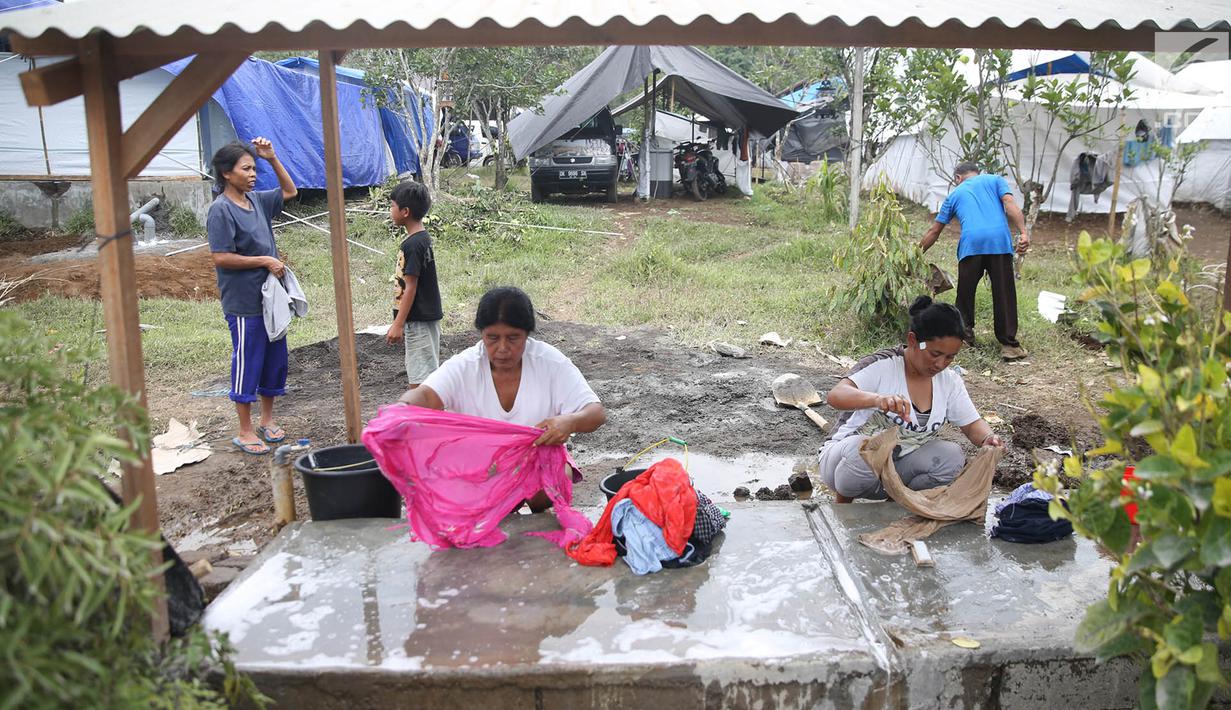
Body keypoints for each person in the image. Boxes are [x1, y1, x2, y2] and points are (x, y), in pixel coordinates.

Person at [397, 287, 607, 511]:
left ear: (527, 335)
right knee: (460, 501)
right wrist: (401, 409)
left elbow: (595, 412)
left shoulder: (550, 363)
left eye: (513, 338)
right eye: (493, 338)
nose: (503, 348)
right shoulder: (465, 366)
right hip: (479, 464)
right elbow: (426, 395)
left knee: (552, 482)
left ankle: (534, 511)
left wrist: (571, 422)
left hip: (536, 459)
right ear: (481, 335)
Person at [819, 296, 1003, 503]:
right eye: (935, 354)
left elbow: (971, 425)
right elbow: (836, 396)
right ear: (913, 341)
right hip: (843, 467)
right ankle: (843, 508)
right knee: (868, 447)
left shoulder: (949, 381)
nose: (941, 364)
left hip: (896, 472)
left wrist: (989, 439)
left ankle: (896, 505)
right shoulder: (884, 365)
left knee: (952, 458)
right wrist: (877, 400)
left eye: (950, 357)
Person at [206, 138, 298, 455]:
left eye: (254, 168)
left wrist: (272, 158)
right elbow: (221, 257)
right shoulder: (221, 210)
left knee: (274, 360)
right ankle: (244, 430)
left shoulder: (256, 201)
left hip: (270, 300)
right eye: (246, 168)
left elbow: (290, 191)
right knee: (248, 362)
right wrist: (263, 260)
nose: (253, 174)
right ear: (226, 173)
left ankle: (267, 420)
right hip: (244, 302)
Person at [918, 162, 1030, 361]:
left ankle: (965, 337)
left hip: (971, 245)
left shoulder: (954, 195)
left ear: (958, 178)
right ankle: (1009, 346)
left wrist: (913, 255)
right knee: (1003, 292)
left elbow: (934, 231)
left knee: (965, 294)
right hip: (999, 242)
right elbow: (1010, 204)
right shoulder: (995, 180)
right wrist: (1023, 233)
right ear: (977, 173)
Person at [384, 181, 442, 388]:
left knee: (420, 381)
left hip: (419, 320)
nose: (390, 210)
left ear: (405, 211)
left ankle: (428, 418)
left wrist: (398, 324)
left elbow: (411, 287)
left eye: (392, 205)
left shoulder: (413, 245)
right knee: (422, 374)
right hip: (422, 319)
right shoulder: (420, 239)